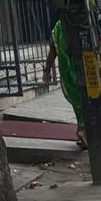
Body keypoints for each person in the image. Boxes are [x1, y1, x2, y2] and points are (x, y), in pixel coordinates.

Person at [43, 18, 87, 149]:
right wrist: (47, 69)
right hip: (74, 72)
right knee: (80, 103)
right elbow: (53, 49)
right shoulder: (64, 27)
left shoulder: (81, 21)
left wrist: (47, 69)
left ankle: (84, 131)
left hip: (78, 70)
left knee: (81, 104)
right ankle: (84, 131)